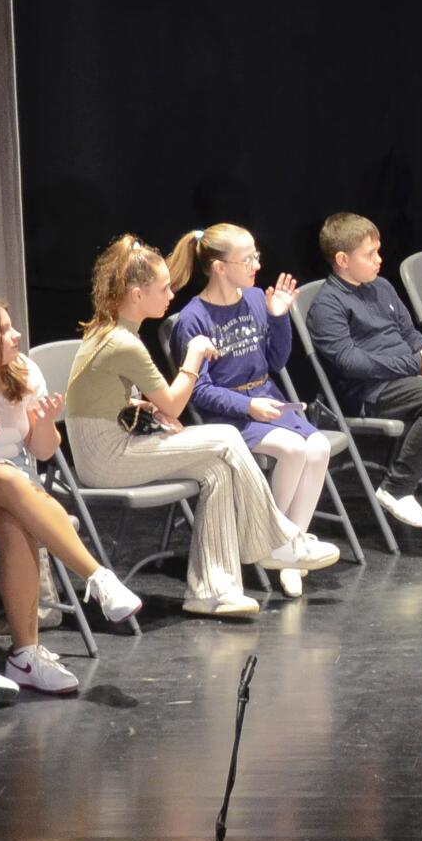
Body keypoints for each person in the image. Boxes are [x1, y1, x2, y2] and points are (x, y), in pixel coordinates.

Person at [60, 235, 338, 620]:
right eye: (163, 289)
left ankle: (212, 591)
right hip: (106, 458)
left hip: (113, 444)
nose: (170, 295)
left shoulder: (116, 331)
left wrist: (146, 409)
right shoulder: (122, 341)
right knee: (225, 438)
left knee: (217, 470)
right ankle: (276, 538)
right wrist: (192, 357)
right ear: (137, 294)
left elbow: (108, 398)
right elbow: (176, 403)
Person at [0, 295, 144, 694]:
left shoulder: (24, 373)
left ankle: (25, 656)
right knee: (7, 479)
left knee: (14, 521)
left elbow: (44, 451)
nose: (16, 335)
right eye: (3, 331)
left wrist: (45, 422)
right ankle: (97, 577)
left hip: (11, 494)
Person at [302, 211, 422, 529]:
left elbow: (408, 334)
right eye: (369, 254)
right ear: (342, 259)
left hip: (407, 372)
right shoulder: (328, 305)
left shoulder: (381, 287)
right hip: (369, 390)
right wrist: (416, 363)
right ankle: (396, 488)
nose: (379, 259)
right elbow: (349, 363)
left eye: (378, 251)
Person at [166, 223, 331, 597]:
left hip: (264, 398)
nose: (256, 265)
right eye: (247, 259)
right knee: (293, 449)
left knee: (318, 447)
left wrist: (278, 315)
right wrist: (247, 405)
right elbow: (199, 391)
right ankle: (272, 539)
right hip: (228, 413)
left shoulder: (256, 298)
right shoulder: (194, 318)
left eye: (256, 256)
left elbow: (276, 361)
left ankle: (291, 548)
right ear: (220, 267)